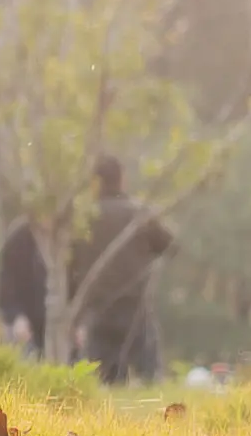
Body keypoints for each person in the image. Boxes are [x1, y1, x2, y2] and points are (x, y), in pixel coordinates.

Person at [70, 153, 175, 386]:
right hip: (134, 306)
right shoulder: (138, 213)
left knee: (101, 381)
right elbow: (169, 245)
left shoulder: (85, 218)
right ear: (122, 179)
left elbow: (71, 266)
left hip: (97, 308)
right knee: (149, 379)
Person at [0, 216, 49, 354]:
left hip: (59, 325)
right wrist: (16, 316)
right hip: (26, 323)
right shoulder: (20, 237)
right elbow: (5, 284)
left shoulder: (67, 236)